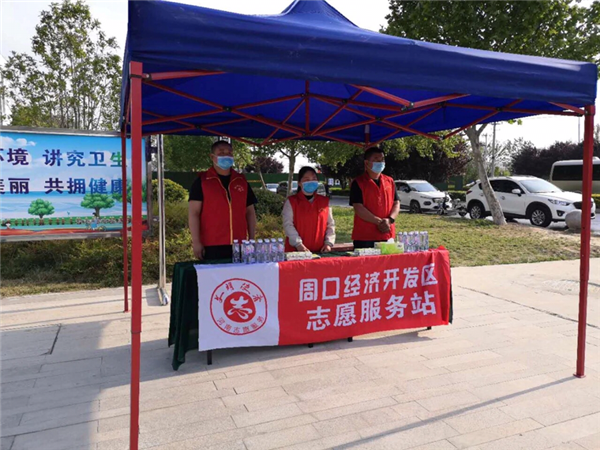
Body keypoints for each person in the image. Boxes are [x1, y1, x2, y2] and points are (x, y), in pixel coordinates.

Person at [188, 140, 257, 260]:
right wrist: (196, 242)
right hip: (212, 244)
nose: (226, 156)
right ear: (212, 157)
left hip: (239, 244)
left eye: (229, 153)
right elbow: (194, 213)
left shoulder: (241, 181)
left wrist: (251, 239)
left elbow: (250, 212)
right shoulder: (202, 181)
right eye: (221, 153)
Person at [350, 146, 400, 248]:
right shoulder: (358, 182)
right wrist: (379, 222)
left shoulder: (389, 181)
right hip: (365, 236)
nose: (380, 162)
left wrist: (390, 220)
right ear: (366, 163)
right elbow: (358, 208)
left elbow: (396, 203)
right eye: (376, 159)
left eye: (382, 159)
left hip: (387, 234)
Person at [283, 166, 335, 253]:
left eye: (314, 179)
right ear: (299, 183)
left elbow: (330, 225)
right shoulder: (291, 202)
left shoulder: (324, 201)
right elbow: (288, 225)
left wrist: (328, 243)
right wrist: (298, 244)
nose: (311, 181)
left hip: (320, 252)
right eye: (307, 179)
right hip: (296, 252)